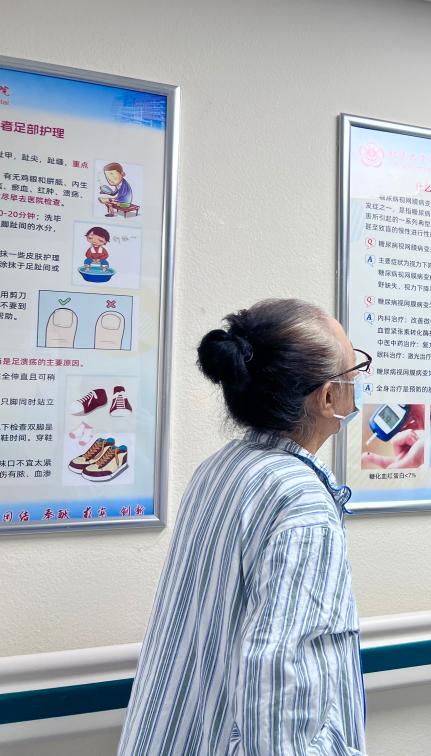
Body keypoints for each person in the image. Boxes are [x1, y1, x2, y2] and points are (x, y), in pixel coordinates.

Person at [118, 299, 368, 756]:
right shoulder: (302, 501)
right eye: (355, 370)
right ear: (328, 397)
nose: (360, 381)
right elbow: (279, 681)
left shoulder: (220, 468)